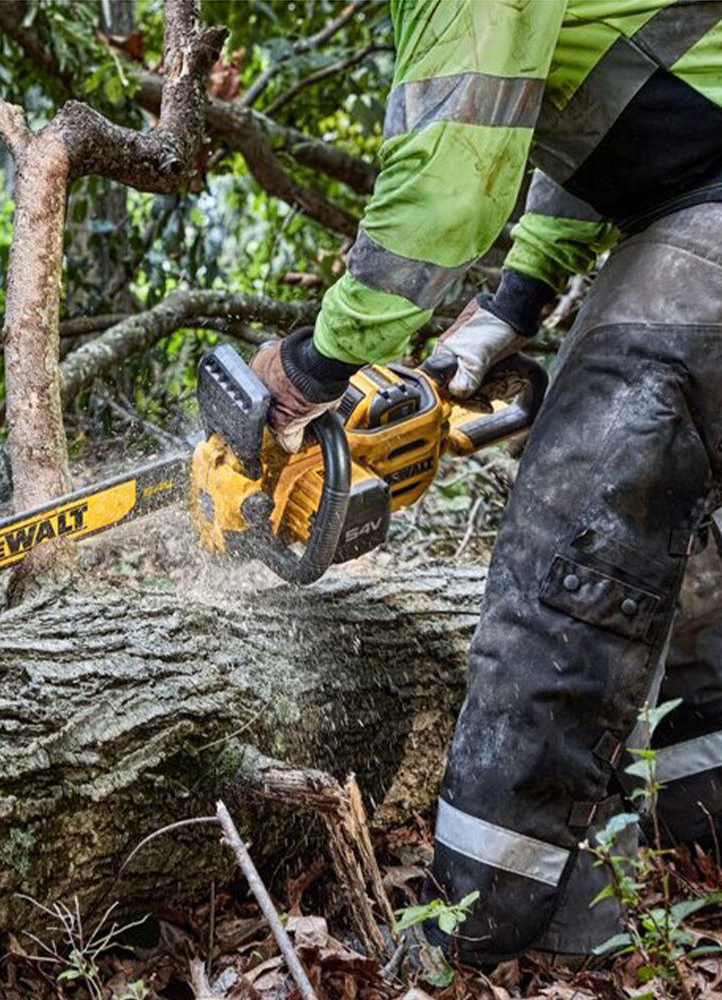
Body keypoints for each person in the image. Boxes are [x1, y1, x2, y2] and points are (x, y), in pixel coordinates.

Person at [249, 0, 722, 963]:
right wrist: (513, 304)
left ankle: (484, 927)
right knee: (679, 542)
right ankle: (697, 820)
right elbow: (621, 116)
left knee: (575, 549)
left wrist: (313, 369)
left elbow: (448, 192)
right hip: (689, 193)